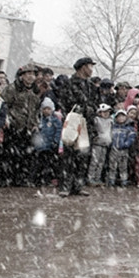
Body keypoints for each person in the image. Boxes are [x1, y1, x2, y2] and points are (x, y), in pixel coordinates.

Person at [58, 56, 98, 197]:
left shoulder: (91, 86)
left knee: (83, 157)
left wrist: (91, 110)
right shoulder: (70, 83)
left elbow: (95, 103)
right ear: (83, 67)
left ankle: (78, 185)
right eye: (90, 66)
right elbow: (64, 103)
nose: (92, 70)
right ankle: (65, 186)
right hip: (74, 122)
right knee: (69, 157)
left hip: (87, 124)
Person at [32, 97, 62, 187]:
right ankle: (38, 180)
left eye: (48, 109)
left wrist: (55, 141)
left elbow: (58, 131)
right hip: (41, 147)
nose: (46, 111)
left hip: (50, 146)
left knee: (49, 164)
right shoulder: (39, 120)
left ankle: (48, 179)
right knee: (39, 164)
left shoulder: (55, 120)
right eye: (44, 109)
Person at [86, 103, 113, 186]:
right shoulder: (96, 120)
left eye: (107, 112)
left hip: (105, 144)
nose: (106, 114)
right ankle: (90, 178)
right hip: (97, 144)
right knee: (94, 161)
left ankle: (97, 178)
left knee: (101, 162)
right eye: (104, 112)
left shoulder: (111, 121)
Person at [108, 108, 135, 187]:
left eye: (123, 116)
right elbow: (110, 136)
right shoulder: (113, 127)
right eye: (119, 117)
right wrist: (111, 144)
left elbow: (131, 138)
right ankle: (111, 179)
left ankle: (124, 180)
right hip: (114, 149)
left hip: (124, 150)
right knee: (112, 165)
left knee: (123, 166)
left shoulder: (129, 128)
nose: (121, 118)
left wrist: (126, 144)